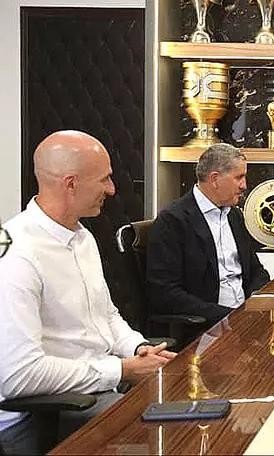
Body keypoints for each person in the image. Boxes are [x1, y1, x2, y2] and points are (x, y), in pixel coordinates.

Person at [0, 131, 174, 454]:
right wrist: (121, 370)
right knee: (168, 441)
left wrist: (138, 348)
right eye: (104, 179)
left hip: (97, 391)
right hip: (41, 417)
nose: (112, 189)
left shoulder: (83, 238)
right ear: (71, 183)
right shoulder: (17, 253)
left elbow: (105, 315)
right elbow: (19, 376)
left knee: (189, 415)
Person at [147, 143, 269, 327]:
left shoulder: (234, 216)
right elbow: (165, 293)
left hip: (244, 320)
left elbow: (256, 271)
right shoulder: (173, 221)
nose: (244, 185)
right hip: (205, 324)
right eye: (239, 177)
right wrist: (228, 316)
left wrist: (254, 305)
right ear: (215, 179)